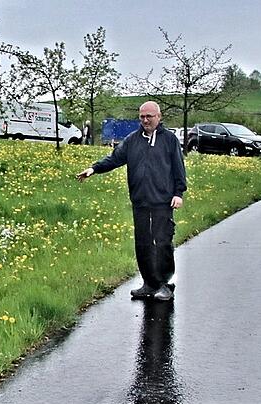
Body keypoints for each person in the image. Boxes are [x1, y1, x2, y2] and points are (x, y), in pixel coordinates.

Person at [76, 101, 187, 301]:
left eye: (149, 116)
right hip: (140, 201)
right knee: (143, 243)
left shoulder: (169, 140)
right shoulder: (132, 140)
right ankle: (149, 283)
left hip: (163, 201)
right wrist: (94, 169)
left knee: (162, 243)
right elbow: (114, 158)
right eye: (142, 116)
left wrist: (179, 193)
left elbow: (179, 168)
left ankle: (165, 284)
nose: (145, 120)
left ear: (158, 117)